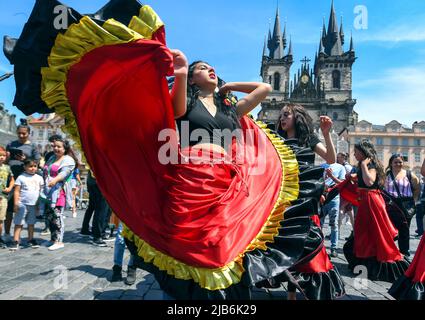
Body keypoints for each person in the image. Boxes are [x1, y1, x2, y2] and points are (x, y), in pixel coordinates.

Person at [6, 1, 333, 300]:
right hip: (192, 175)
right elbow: (174, 108)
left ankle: (221, 297)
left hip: (229, 181)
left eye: (210, 68)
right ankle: (181, 297)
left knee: (223, 246)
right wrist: (181, 69)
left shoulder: (230, 110)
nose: (209, 70)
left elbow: (263, 88)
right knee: (183, 241)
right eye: (202, 69)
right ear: (193, 79)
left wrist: (228, 87)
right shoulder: (187, 104)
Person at [274, 104, 345, 300]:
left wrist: (326, 133)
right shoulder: (275, 140)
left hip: (304, 199)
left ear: (297, 117)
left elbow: (330, 158)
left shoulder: (308, 139)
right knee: (287, 244)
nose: (282, 118)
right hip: (282, 200)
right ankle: (291, 294)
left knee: (305, 242)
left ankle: (310, 288)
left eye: (286, 115)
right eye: (281, 115)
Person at [342, 140, 410, 282]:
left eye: (356, 151)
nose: (354, 154)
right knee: (367, 235)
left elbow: (369, 182)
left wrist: (363, 166)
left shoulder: (369, 165)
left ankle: (383, 265)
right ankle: (367, 265)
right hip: (367, 203)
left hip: (371, 203)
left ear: (364, 152)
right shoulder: (364, 166)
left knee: (376, 234)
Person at [4, 119, 41, 242]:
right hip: (11, 178)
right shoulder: (11, 144)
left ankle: (22, 235)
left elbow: (37, 163)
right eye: (19, 133)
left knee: (23, 208)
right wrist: (7, 158)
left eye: (24, 134)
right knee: (9, 208)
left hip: (26, 180)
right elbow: (5, 160)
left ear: (28, 133)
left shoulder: (33, 146)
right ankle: (7, 233)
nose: (21, 135)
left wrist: (26, 159)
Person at [42, 138, 76, 251]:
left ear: (65, 148)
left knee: (57, 215)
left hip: (59, 191)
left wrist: (55, 180)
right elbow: (45, 170)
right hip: (48, 191)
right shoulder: (52, 158)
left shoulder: (68, 160)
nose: (56, 148)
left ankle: (59, 241)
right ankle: (53, 239)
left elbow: (64, 173)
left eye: (59, 147)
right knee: (49, 216)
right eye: (54, 146)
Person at [384, 154, 421, 257]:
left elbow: (417, 187)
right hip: (391, 205)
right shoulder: (386, 175)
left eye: (400, 162)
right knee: (389, 229)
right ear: (391, 163)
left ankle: (404, 253)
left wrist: (413, 200)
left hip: (405, 205)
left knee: (404, 230)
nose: (398, 164)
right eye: (395, 162)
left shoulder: (409, 174)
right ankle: (390, 252)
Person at [10, 159, 44, 251]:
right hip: (22, 204)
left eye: (35, 166)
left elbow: (41, 192)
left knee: (31, 223)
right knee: (19, 223)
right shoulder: (21, 177)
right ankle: (16, 240)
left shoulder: (39, 178)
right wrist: (16, 203)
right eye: (30, 166)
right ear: (25, 167)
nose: (33, 168)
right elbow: (16, 191)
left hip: (34, 205)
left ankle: (30, 239)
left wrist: (39, 206)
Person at [321, 162, 346, 258]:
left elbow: (343, 183)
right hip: (322, 197)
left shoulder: (340, 167)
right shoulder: (322, 165)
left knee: (333, 223)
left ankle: (333, 247)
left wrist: (331, 176)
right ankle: (320, 247)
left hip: (334, 198)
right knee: (320, 223)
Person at [40, 134, 63, 236]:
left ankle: (57, 234)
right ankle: (47, 227)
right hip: (47, 184)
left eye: (55, 141)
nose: (53, 144)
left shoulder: (64, 155)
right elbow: (45, 167)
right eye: (52, 142)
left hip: (57, 185)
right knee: (47, 208)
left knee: (56, 211)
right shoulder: (49, 155)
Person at [111, 220, 137, 285]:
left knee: (134, 239)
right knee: (120, 239)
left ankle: (132, 267)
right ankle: (117, 267)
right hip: (125, 211)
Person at [337, 152, 355, 235]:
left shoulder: (346, 166)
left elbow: (348, 179)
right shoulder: (344, 166)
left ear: (343, 158)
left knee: (341, 209)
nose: (337, 158)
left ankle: (337, 231)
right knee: (350, 211)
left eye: (339, 157)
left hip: (346, 191)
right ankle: (355, 232)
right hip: (346, 192)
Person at [0, 146, 14, 248]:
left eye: (3, 155)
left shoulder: (7, 168)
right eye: (0, 155)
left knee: (1, 219)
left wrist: (10, 188)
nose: (1, 157)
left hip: (3, 197)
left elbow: (12, 179)